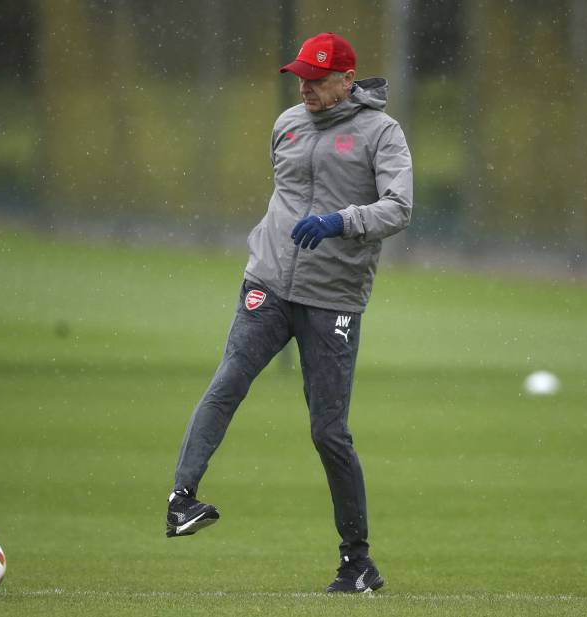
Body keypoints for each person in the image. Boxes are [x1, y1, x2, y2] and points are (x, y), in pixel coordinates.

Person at [166, 32, 413, 594]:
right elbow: (284, 197)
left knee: (329, 432)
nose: (306, 86)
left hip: (334, 300)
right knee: (228, 381)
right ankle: (182, 499)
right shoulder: (287, 123)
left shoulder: (382, 133)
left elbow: (399, 208)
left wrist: (340, 221)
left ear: (347, 80)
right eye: (301, 76)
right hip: (268, 284)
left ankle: (358, 563)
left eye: (318, 78)